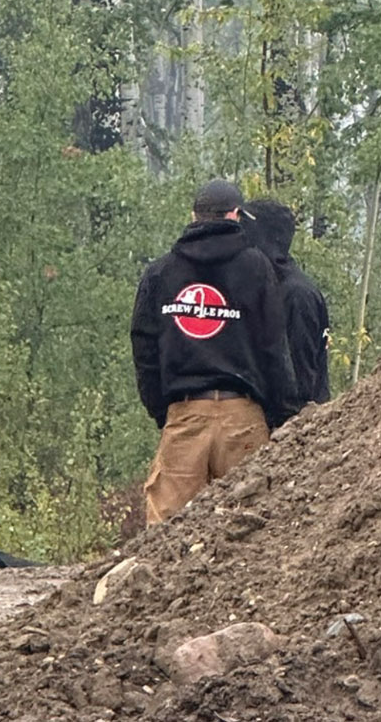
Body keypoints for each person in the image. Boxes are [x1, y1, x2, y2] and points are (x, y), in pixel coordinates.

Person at [131, 180, 299, 526]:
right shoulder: (256, 268)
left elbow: (144, 348)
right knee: (253, 531)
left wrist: (163, 411)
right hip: (243, 417)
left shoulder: (161, 273)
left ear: (193, 216)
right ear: (236, 216)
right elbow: (273, 348)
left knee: (164, 535)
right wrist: (282, 413)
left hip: (185, 413)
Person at [241, 198, 331, 407]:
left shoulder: (297, 294)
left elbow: (301, 378)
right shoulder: (265, 285)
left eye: (246, 228)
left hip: (295, 425)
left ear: (266, 237)